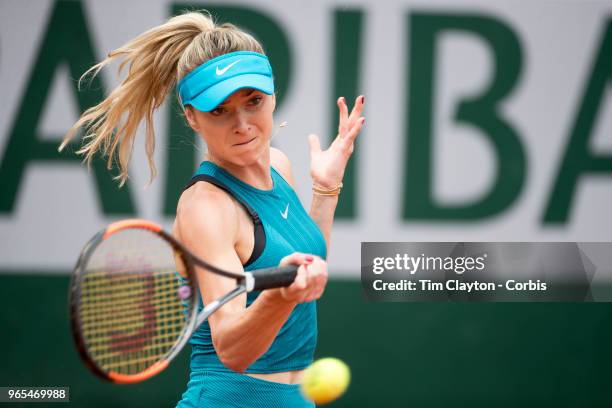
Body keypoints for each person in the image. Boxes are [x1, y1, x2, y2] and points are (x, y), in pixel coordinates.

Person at [60, 10, 365, 407]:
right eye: (218, 110)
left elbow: (308, 270)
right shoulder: (205, 206)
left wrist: (325, 190)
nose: (241, 124)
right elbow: (233, 349)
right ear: (191, 116)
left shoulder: (278, 165)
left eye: (253, 102)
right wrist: (281, 296)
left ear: (272, 96)